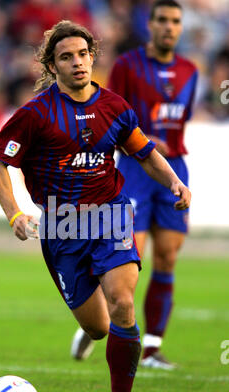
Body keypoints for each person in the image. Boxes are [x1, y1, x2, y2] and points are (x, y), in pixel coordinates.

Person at [0, 20, 191, 392]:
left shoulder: (114, 107)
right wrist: (13, 212)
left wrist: (173, 182)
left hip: (112, 215)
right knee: (101, 326)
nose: (78, 63)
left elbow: (144, 153)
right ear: (52, 65)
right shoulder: (34, 115)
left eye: (83, 54)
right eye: (66, 57)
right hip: (62, 228)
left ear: (92, 56)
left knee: (123, 303)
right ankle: (92, 332)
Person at [71, 0, 198, 369]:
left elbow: (182, 118)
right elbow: (114, 112)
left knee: (167, 258)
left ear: (181, 26)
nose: (169, 27)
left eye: (175, 21)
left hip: (173, 167)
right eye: (162, 20)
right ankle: (99, 320)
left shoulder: (190, 70)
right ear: (151, 24)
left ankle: (153, 348)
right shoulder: (127, 66)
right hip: (135, 170)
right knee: (131, 259)